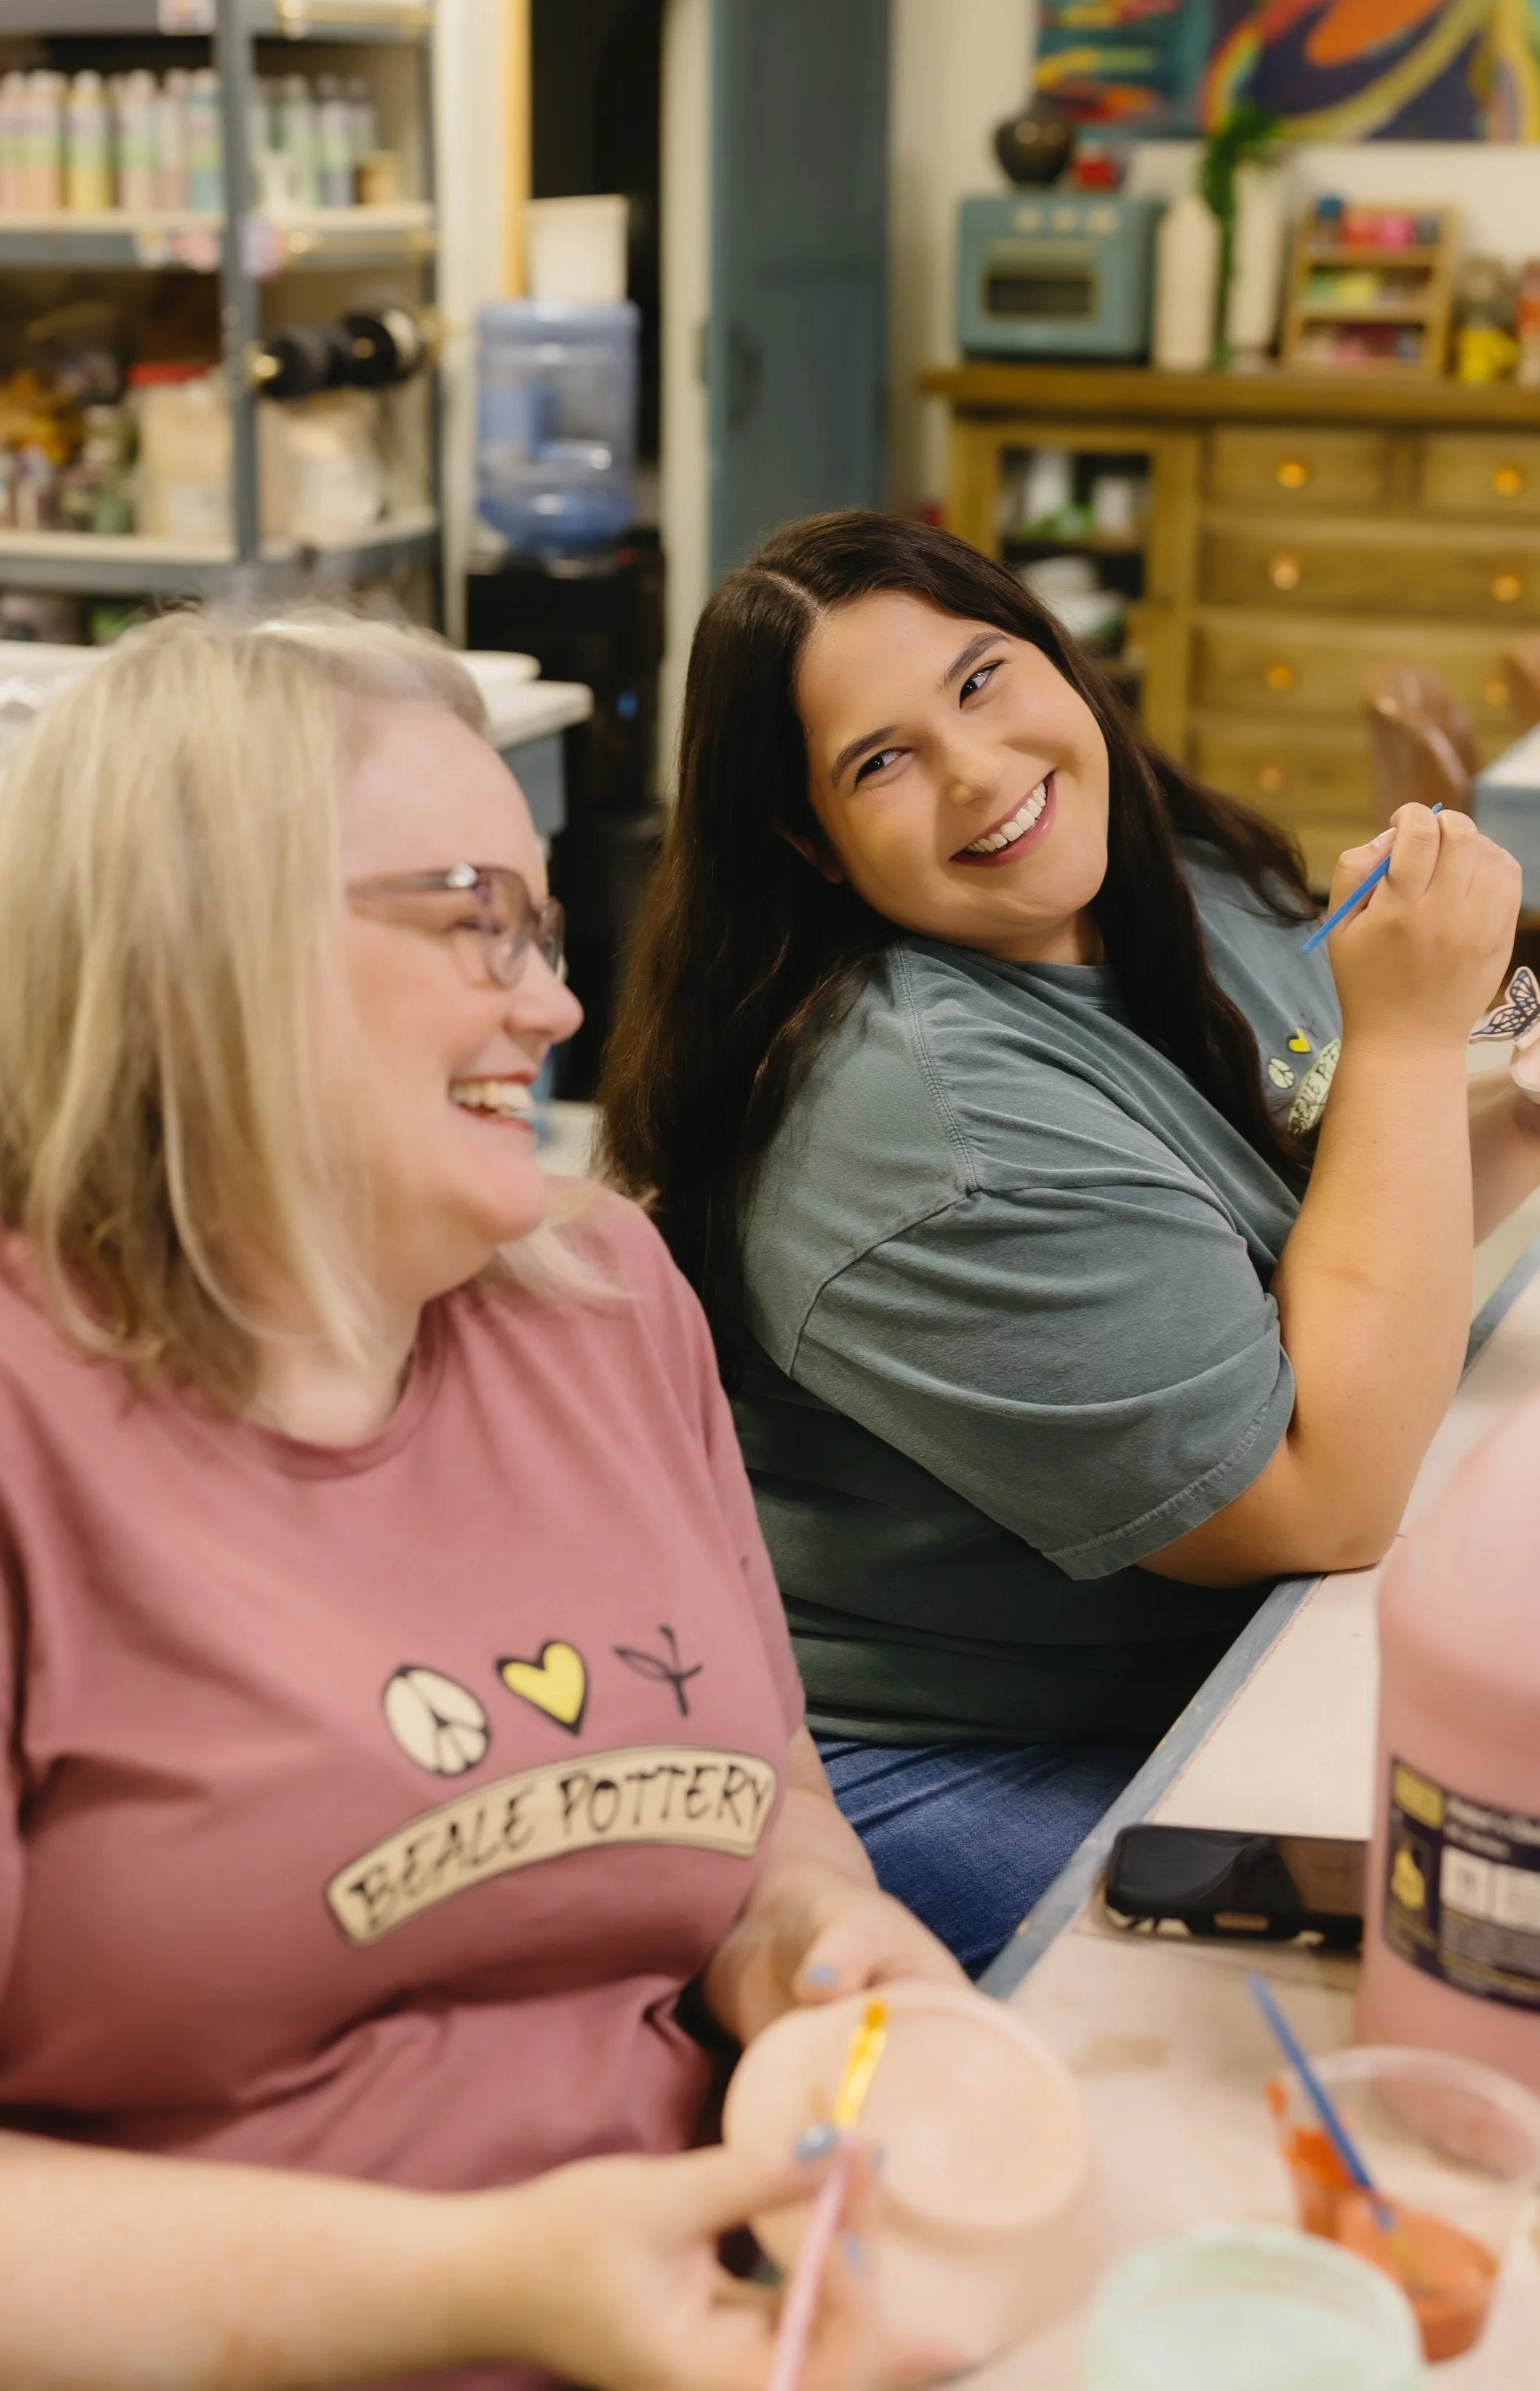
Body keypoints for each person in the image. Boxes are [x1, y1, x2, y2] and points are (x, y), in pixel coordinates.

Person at [0, 613, 965, 2391]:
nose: (550, 1004)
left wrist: (804, 1937)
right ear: (197, 939)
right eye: (474, 916)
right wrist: (492, 2282)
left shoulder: (607, 1301)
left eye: (542, 930)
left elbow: (759, 1782)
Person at [599, 510, 1538, 1973]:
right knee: (1430, 1970)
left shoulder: (1161, 880)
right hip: (958, 1751)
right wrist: (1408, 1038)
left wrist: (1518, 1113)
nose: (978, 771)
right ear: (809, 843)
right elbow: (1313, 1498)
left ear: (1055, 658)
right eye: (879, 761)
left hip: (1214, 1656)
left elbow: (1321, 1239)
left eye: (980, 681)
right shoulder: (926, 1129)